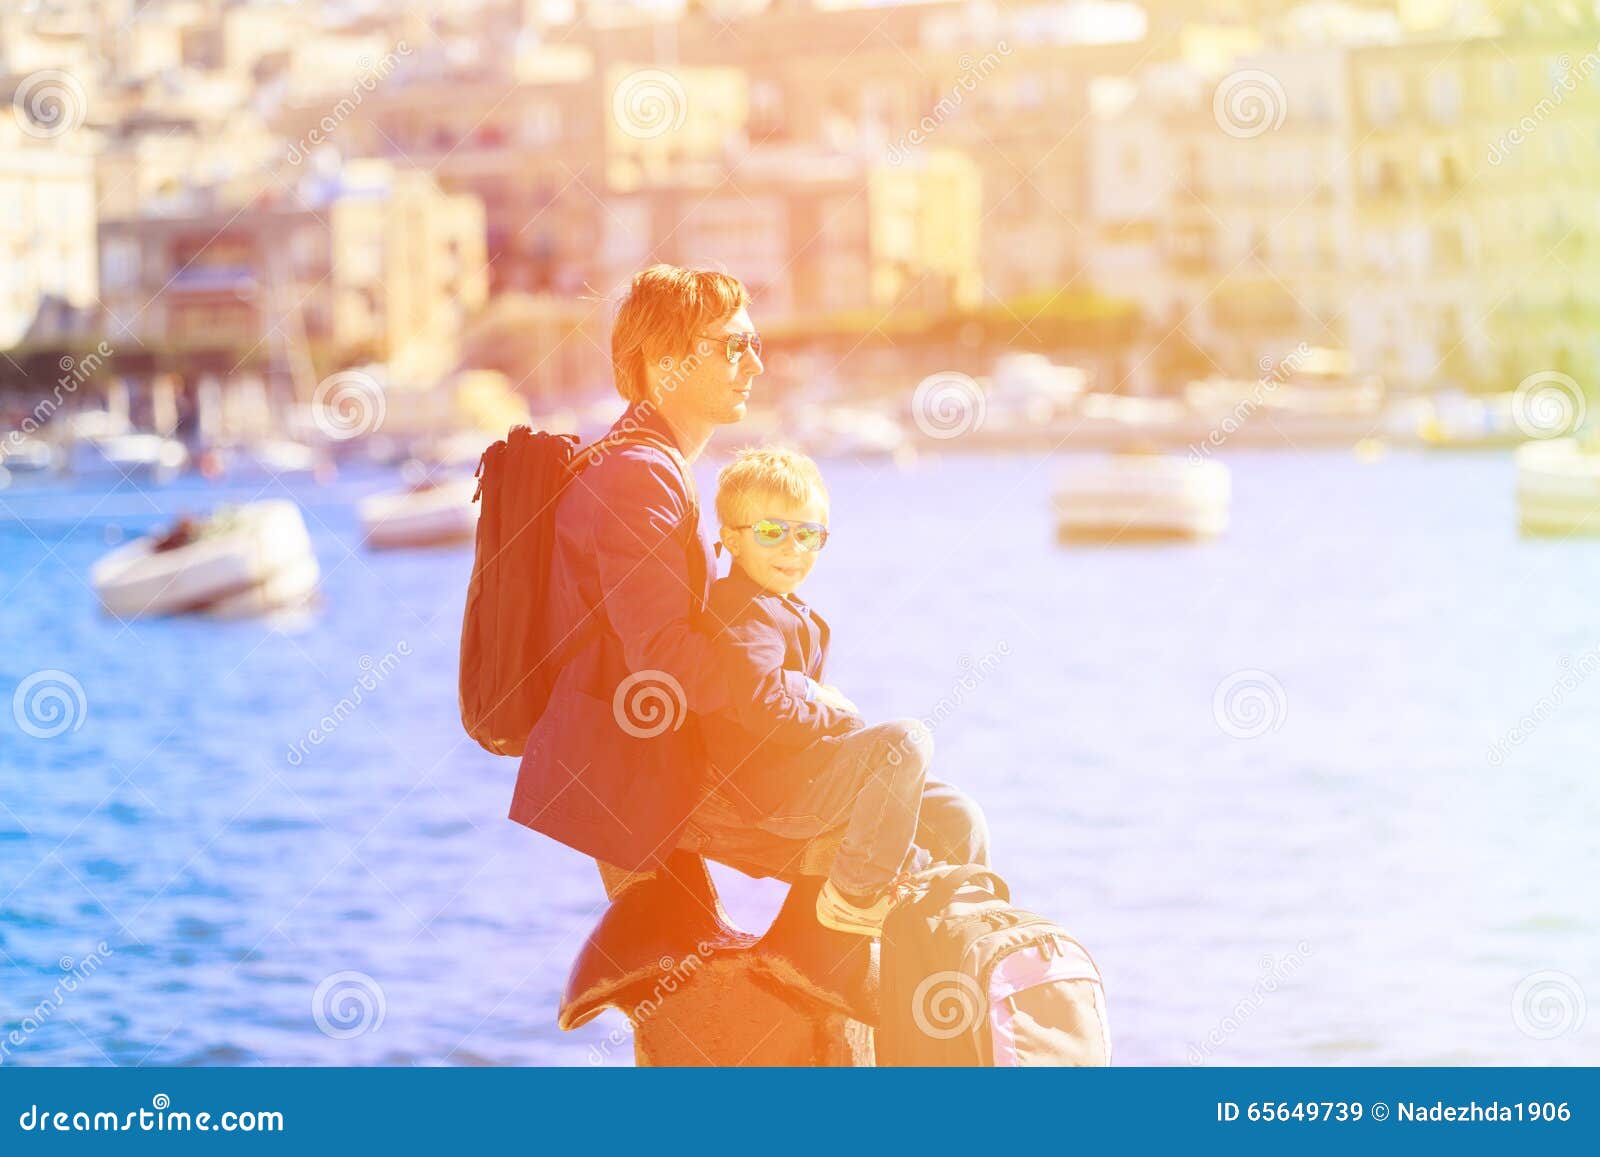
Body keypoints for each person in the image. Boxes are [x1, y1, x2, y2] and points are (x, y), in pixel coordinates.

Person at [510, 263, 988, 888]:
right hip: (653, 777)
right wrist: (805, 703)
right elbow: (661, 654)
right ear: (663, 361)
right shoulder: (637, 475)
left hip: (663, 760)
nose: (755, 364)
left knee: (944, 812)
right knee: (933, 832)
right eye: (734, 345)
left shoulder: (637, 460)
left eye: (754, 344)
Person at [702, 446, 983, 935]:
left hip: (810, 773)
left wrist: (815, 699)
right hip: (776, 794)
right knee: (904, 741)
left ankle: (965, 918)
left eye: (808, 534)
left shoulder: (781, 607)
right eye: (772, 532)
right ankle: (856, 895)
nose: (793, 548)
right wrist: (834, 713)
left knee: (956, 813)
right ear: (732, 539)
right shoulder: (743, 611)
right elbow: (764, 708)